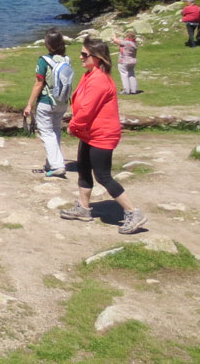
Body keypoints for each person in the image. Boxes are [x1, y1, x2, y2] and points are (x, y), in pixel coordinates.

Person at [59, 37, 148, 234]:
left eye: (84, 54)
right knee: (83, 169)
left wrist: (73, 126)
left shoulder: (99, 79)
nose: (80, 57)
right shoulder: (89, 74)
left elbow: (88, 110)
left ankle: (134, 212)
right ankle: (83, 208)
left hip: (102, 135)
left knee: (103, 176)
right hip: (90, 133)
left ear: (97, 57)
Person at [23, 28, 68, 177]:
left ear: (48, 44)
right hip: (62, 101)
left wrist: (29, 104)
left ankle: (57, 165)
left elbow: (39, 83)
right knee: (55, 132)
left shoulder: (44, 60)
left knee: (47, 133)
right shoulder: (67, 60)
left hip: (46, 101)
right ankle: (52, 162)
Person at [113, 31, 140, 95]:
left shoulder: (126, 42)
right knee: (131, 74)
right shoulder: (134, 43)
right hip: (132, 61)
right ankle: (134, 89)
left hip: (124, 61)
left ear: (127, 36)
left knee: (124, 75)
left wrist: (114, 35)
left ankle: (126, 90)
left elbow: (115, 41)